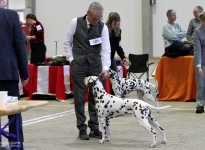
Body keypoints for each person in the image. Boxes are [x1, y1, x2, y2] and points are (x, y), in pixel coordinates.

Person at [64, 1, 111, 140]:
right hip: (78, 65)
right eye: (95, 18)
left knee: (95, 98)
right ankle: (82, 128)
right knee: (79, 98)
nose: (97, 21)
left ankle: (94, 127)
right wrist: (72, 59)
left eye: (100, 18)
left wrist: (105, 68)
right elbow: (67, 42)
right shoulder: (75, 22)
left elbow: (106, 50)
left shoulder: (103, 27)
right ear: (88, 13)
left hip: (96, 66)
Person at [0, 2, 29, 150]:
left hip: (7, 73)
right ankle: (16, 145)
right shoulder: (11, 15)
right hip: (7, 74)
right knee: (13, 113)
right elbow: (20, 44)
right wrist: (24, 73)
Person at [193, 12, 205, 113]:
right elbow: (197, 50)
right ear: (202, 21)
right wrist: (198, 66)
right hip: (201, 61)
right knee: (201, 83)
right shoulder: (197, 31)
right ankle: (200, 103)